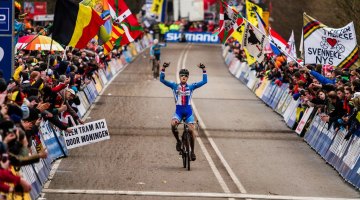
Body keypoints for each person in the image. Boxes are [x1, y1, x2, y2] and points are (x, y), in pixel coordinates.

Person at [159, 62, 207, 161]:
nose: (184, 77)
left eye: (186, 76)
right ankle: (178, 141)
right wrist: (163, 68)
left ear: (188, 78)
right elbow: (161, 79)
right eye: (182, 76)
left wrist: (204, 69)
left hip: (188, 113)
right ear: (179, 77)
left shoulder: (192, 86)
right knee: (173, 125)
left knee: (192, 131)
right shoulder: (174, 85)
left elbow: (204, 81)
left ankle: (192, 152)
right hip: (179, 112)